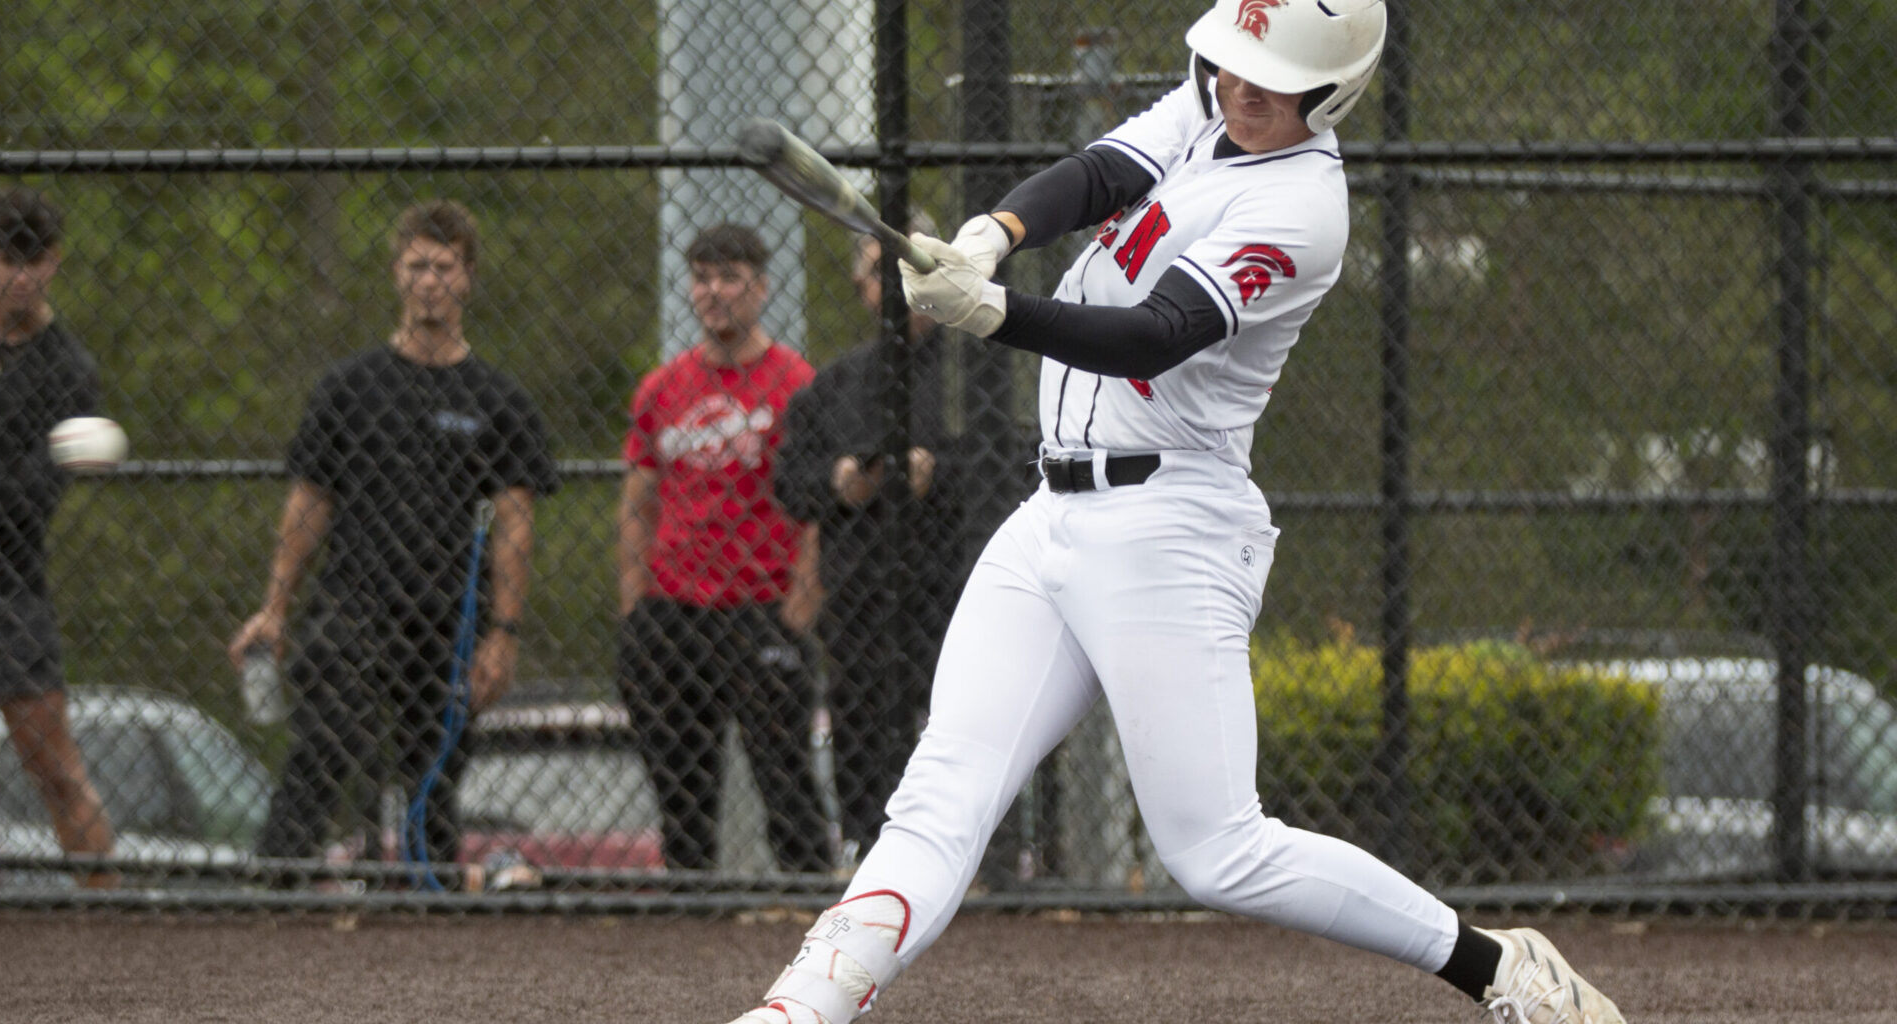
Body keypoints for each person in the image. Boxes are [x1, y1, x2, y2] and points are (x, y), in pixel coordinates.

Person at [719, 4, 1625, 1024]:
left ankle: (1497, 968)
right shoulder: (1213, 101)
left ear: (1331, 96)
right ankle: (802, 1008)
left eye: (1269, 80)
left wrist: (995, 313)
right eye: (1232, 63)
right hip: (1051, 515)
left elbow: (1157, 333)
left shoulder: (1304, 207)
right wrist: (995, 232)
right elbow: (1102, 171)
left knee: (1218, 852)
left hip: (1170, 529)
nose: (1239, 88)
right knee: (938, 796)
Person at [230, 199, 558, 871]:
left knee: (433, 775)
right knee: (324, 745)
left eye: (444, 267)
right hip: (354, 605)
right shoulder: (348, 388)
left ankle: (428, 899)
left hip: (449, 618)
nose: (429, 281)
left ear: (467, 277)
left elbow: (515, 524)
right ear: (396, 275)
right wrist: (275, 607)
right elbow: (308, 504)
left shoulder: (497, 400)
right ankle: (274, 887)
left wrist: (503, 633)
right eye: (417, 266)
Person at [773, 217, 1029, 861]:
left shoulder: (977, 375)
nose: (894, 288)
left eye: (910, 271)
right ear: (860, 286)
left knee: (968, 719)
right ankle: (872, 852)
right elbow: (790, 479)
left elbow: (1020, 468)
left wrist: (936, 475)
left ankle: (987, 858)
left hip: (958, 585)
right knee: (860, 722)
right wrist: (840, 482)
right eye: (878, 273)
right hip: (861, 592)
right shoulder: (836, 384)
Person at [617, 223, 835, 873]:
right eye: (703, 278)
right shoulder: (663, 389)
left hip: (762, 604)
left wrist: (800, 602)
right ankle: (691, 905)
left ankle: (805, 899)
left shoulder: (797, 384)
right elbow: (637, 503)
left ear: (761, 289)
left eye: (730, 278)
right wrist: (635, 606)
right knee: (681, 788)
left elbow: (819, 505)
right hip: (676, 607)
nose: (715, 292)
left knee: (785, 780)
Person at [0, 188, 117, 888]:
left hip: (9, 583)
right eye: (9, 260)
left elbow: (27, 500)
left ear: (54, 263)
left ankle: (112, 919)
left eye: (34, 262)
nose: (21, 276)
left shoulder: (69, 370)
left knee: (56, 770)